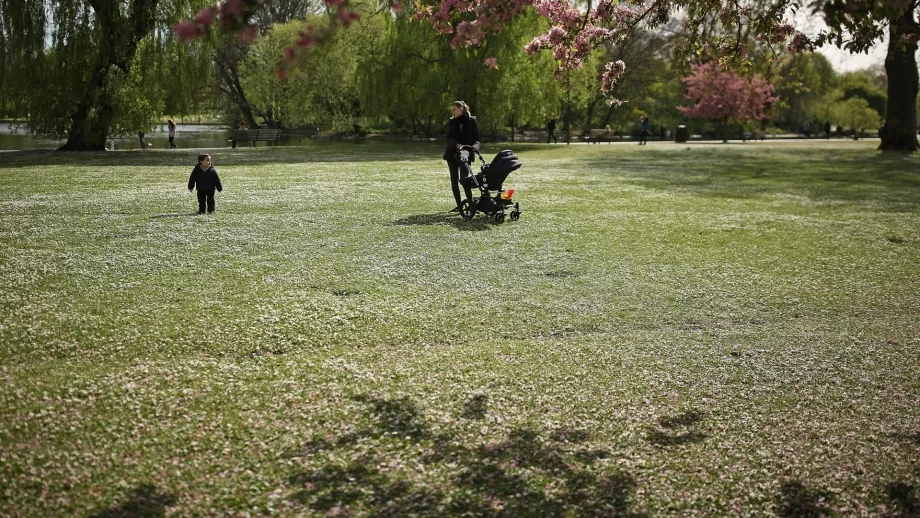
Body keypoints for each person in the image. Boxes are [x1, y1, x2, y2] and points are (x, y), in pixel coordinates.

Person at [443, 101, 479, 212]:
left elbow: (476, 138)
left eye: (454, 110)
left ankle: (470, 205)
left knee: (465, 181)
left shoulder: (471, 121)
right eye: (452, 110)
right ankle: (459, 206)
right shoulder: (452, 122)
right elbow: (449, 138)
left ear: (461, 108)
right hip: (452, 154)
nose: (452, 112)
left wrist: (476, 146)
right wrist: (456, 144)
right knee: (454, 182)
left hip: (466, 154)